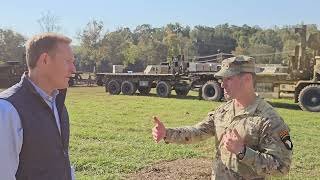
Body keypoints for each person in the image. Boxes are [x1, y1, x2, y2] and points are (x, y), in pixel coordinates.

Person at [152, 56, 293, 180]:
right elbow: (199, 131)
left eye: (229, 79)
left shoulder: (269, 120)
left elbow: (282, 167)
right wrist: (167, 133)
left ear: (247, 79)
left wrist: (242, 152)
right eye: (222, 79)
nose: (222, 84)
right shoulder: (223, 110)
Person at [0, 33, 76, 180]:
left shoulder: (57, 102)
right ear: (45, 60)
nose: (73, 69)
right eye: (68, 61)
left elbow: (62, 158)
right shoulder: (7, 110)